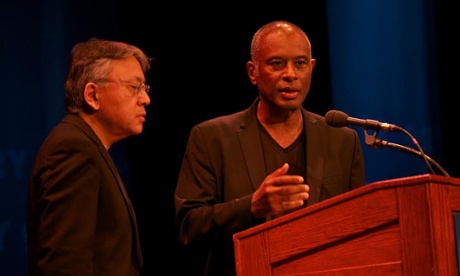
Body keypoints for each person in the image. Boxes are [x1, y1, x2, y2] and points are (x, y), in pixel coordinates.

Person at [174, 20, 365, 275]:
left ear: (312, 67)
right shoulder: (211, 138)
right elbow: (188, 227)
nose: (290, 74)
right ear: (253, 72)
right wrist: (251, 207)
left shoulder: (342, 140)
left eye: (299, 64)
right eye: (277, 64)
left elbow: (359, 226)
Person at [27, 38, 152, 276]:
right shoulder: (74, 149)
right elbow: (65, 266)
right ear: (92, 95)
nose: (145, 99)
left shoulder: (88, 147)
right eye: (134, 87)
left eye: (144, 88)